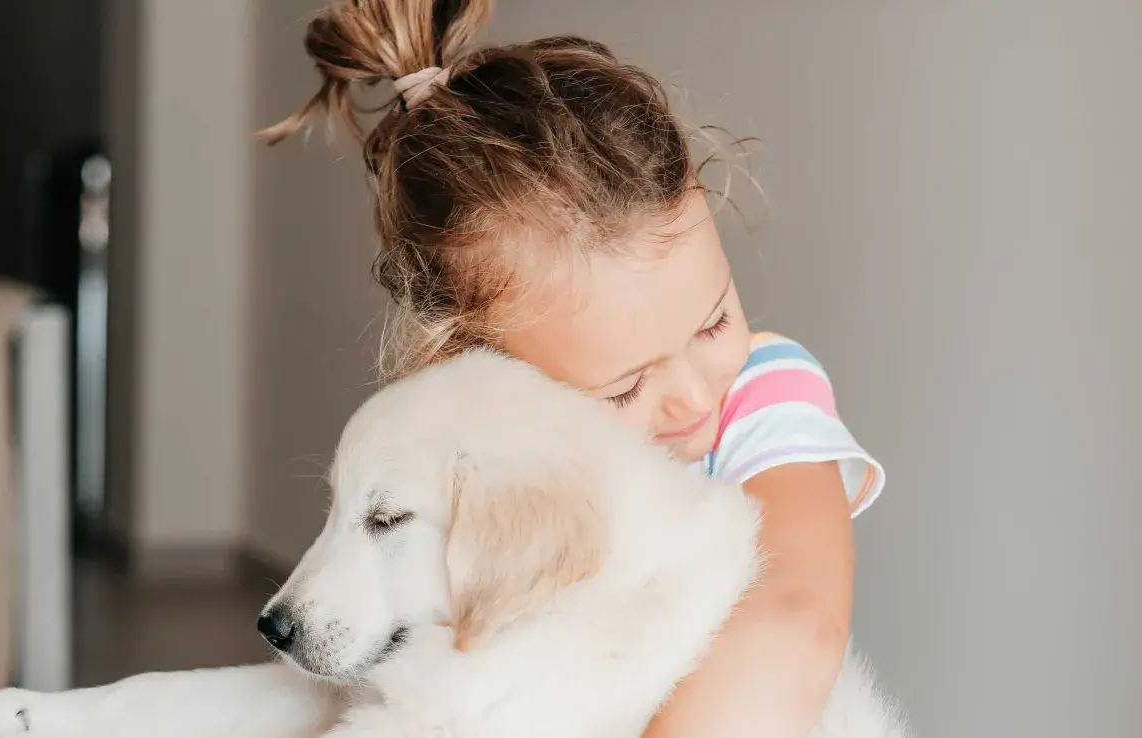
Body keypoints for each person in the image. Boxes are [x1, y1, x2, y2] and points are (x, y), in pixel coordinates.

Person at [261, 1, 885, 737]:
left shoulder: (764, 390)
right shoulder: (479, 471)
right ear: (486, 375)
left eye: (713, 320)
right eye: (624, 386)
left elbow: (796, 623)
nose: (691, 397)